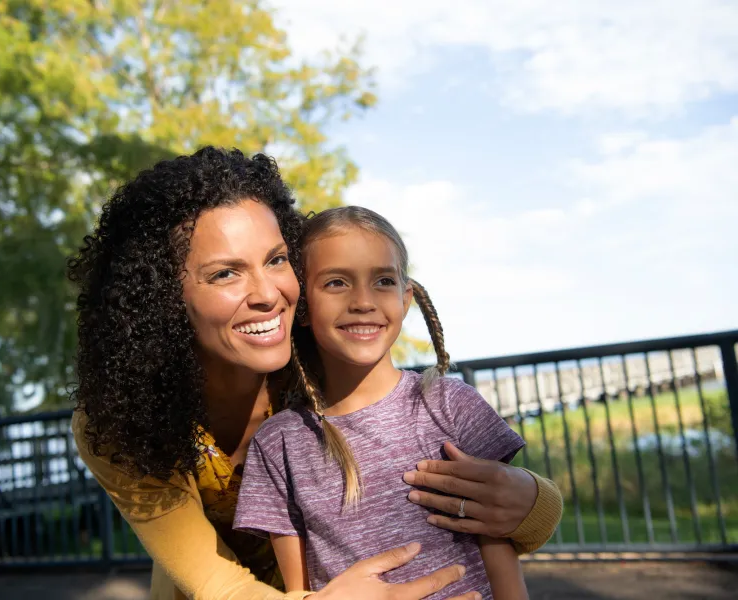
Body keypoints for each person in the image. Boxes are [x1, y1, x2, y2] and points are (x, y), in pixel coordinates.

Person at [68, 147, 563, 600]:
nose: (267, 293)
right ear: (162, 300)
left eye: (276, 260)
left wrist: (534, 503)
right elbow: (215, 582)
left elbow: (456, 487)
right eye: (225, 273)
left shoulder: (319, 356)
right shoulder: (118, 424)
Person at [233, 207, 533, 599]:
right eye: (337, 282)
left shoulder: (451, 405)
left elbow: (496, 540)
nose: (362, 301)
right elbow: (301, 592)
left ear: (405, 299)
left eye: (383, 281)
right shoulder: (278, 443)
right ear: (302, 306)